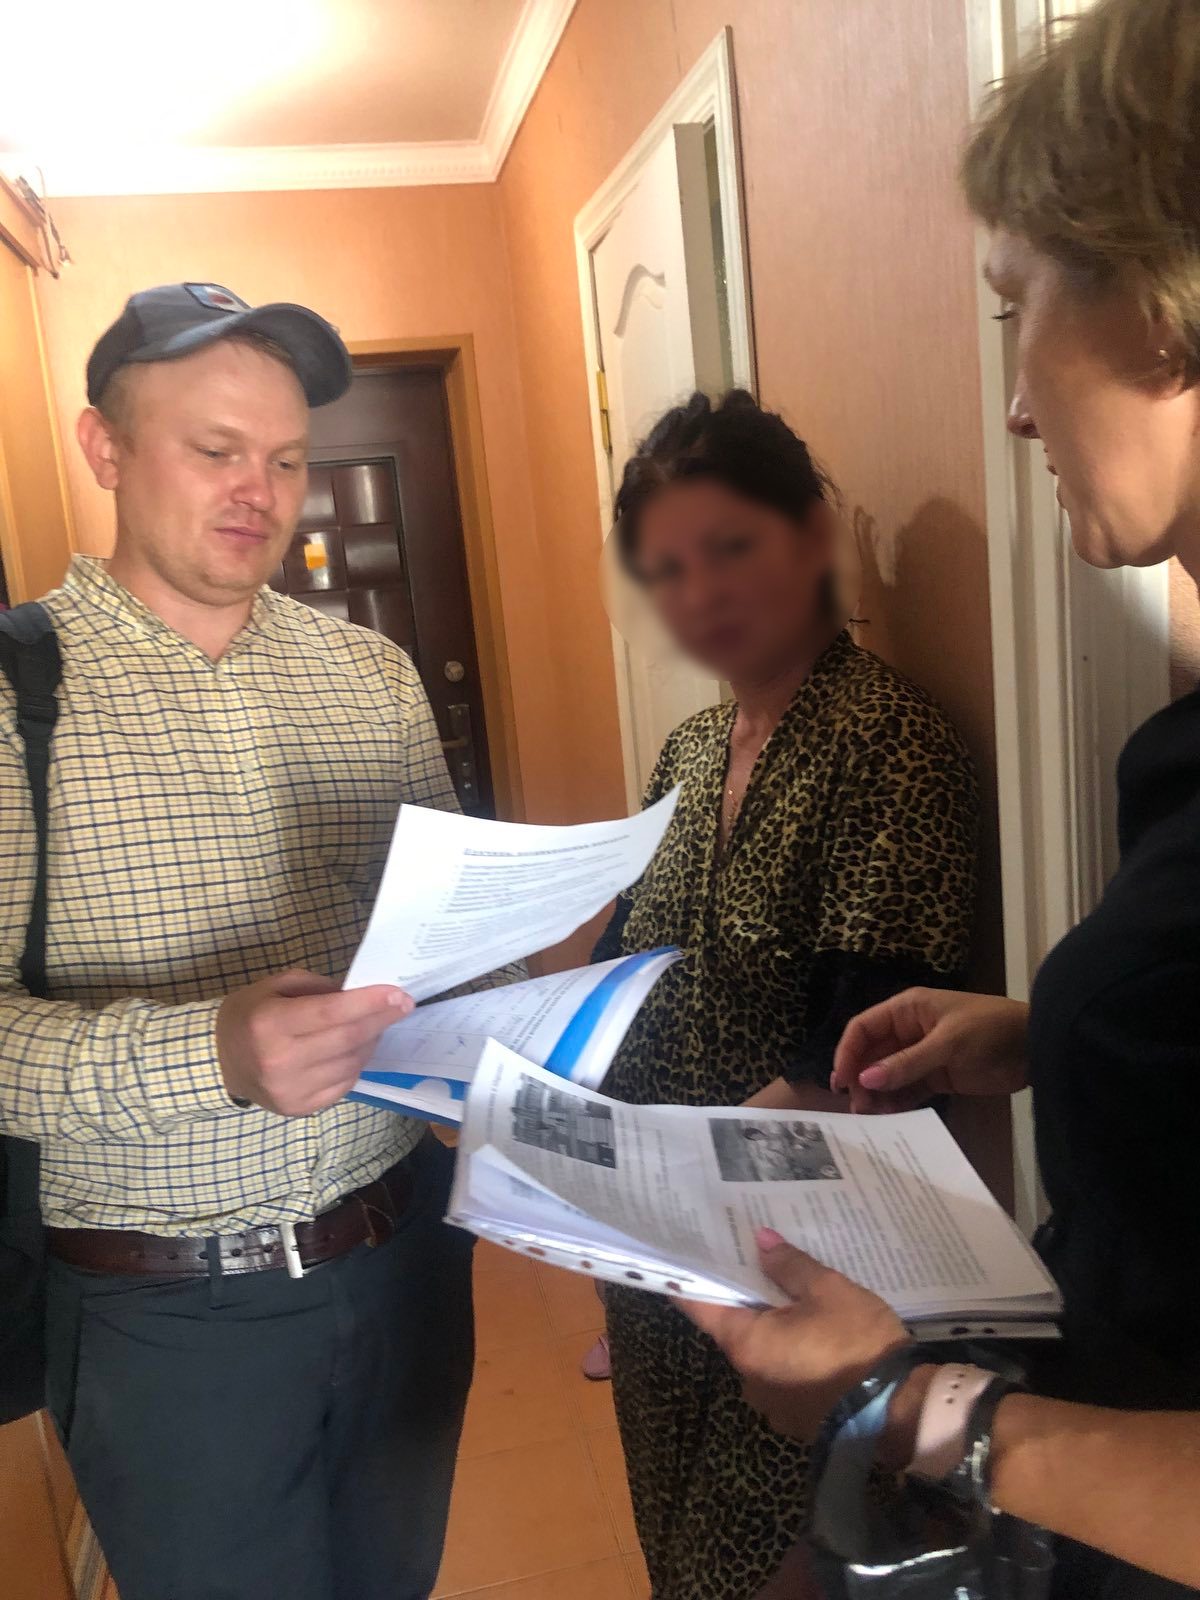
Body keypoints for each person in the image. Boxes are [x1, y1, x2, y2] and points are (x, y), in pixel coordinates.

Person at [685, 1, 1200, 1593]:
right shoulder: (1178, 748)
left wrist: (920, 1415)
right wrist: (1055, 1028)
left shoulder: (886, 738)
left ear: (1162, 305)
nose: (1020, 404)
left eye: (1017, 306)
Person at [0, 283, 513, 1600]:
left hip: (404, 1265)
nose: (259, 491)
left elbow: (442, 932)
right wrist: (215, 1055)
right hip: (169, 1324)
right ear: (105, 447)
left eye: (286, 459)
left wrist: (516, 1018)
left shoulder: (371, 675)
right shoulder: (13, 697)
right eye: (215, 449)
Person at [588, 391, 979, 1599]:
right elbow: (628, 958)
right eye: (668, 568)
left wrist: (679, 1173)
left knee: (757, 1560)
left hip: (800, 1262)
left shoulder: (889, 743)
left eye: (730, 547)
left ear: (809, 537)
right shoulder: (688, 751)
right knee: (674, 1547)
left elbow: (866, 1062)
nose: (700, 593)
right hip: (660, 1254)